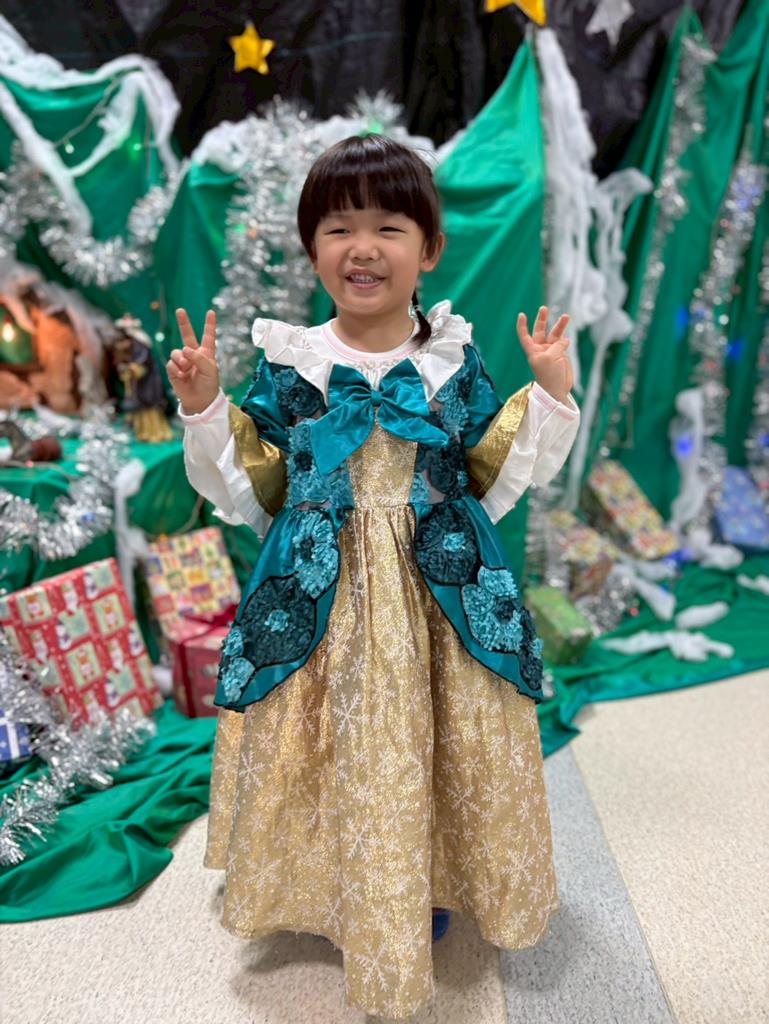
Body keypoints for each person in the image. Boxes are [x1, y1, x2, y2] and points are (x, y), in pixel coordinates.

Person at [168, 133, 580, 1020]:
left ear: (428, 249)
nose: (363, 248)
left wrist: (546, 393)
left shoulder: (452, 359)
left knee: (435, 736)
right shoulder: (290, 362)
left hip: (440, 587)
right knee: (332, 735)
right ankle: (336, 880)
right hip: (318, 588)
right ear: (311, 247)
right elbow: (257, 487)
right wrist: (204, 405)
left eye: (389, 227)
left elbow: (488, 473)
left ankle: (423, 875)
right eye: (338, 227)